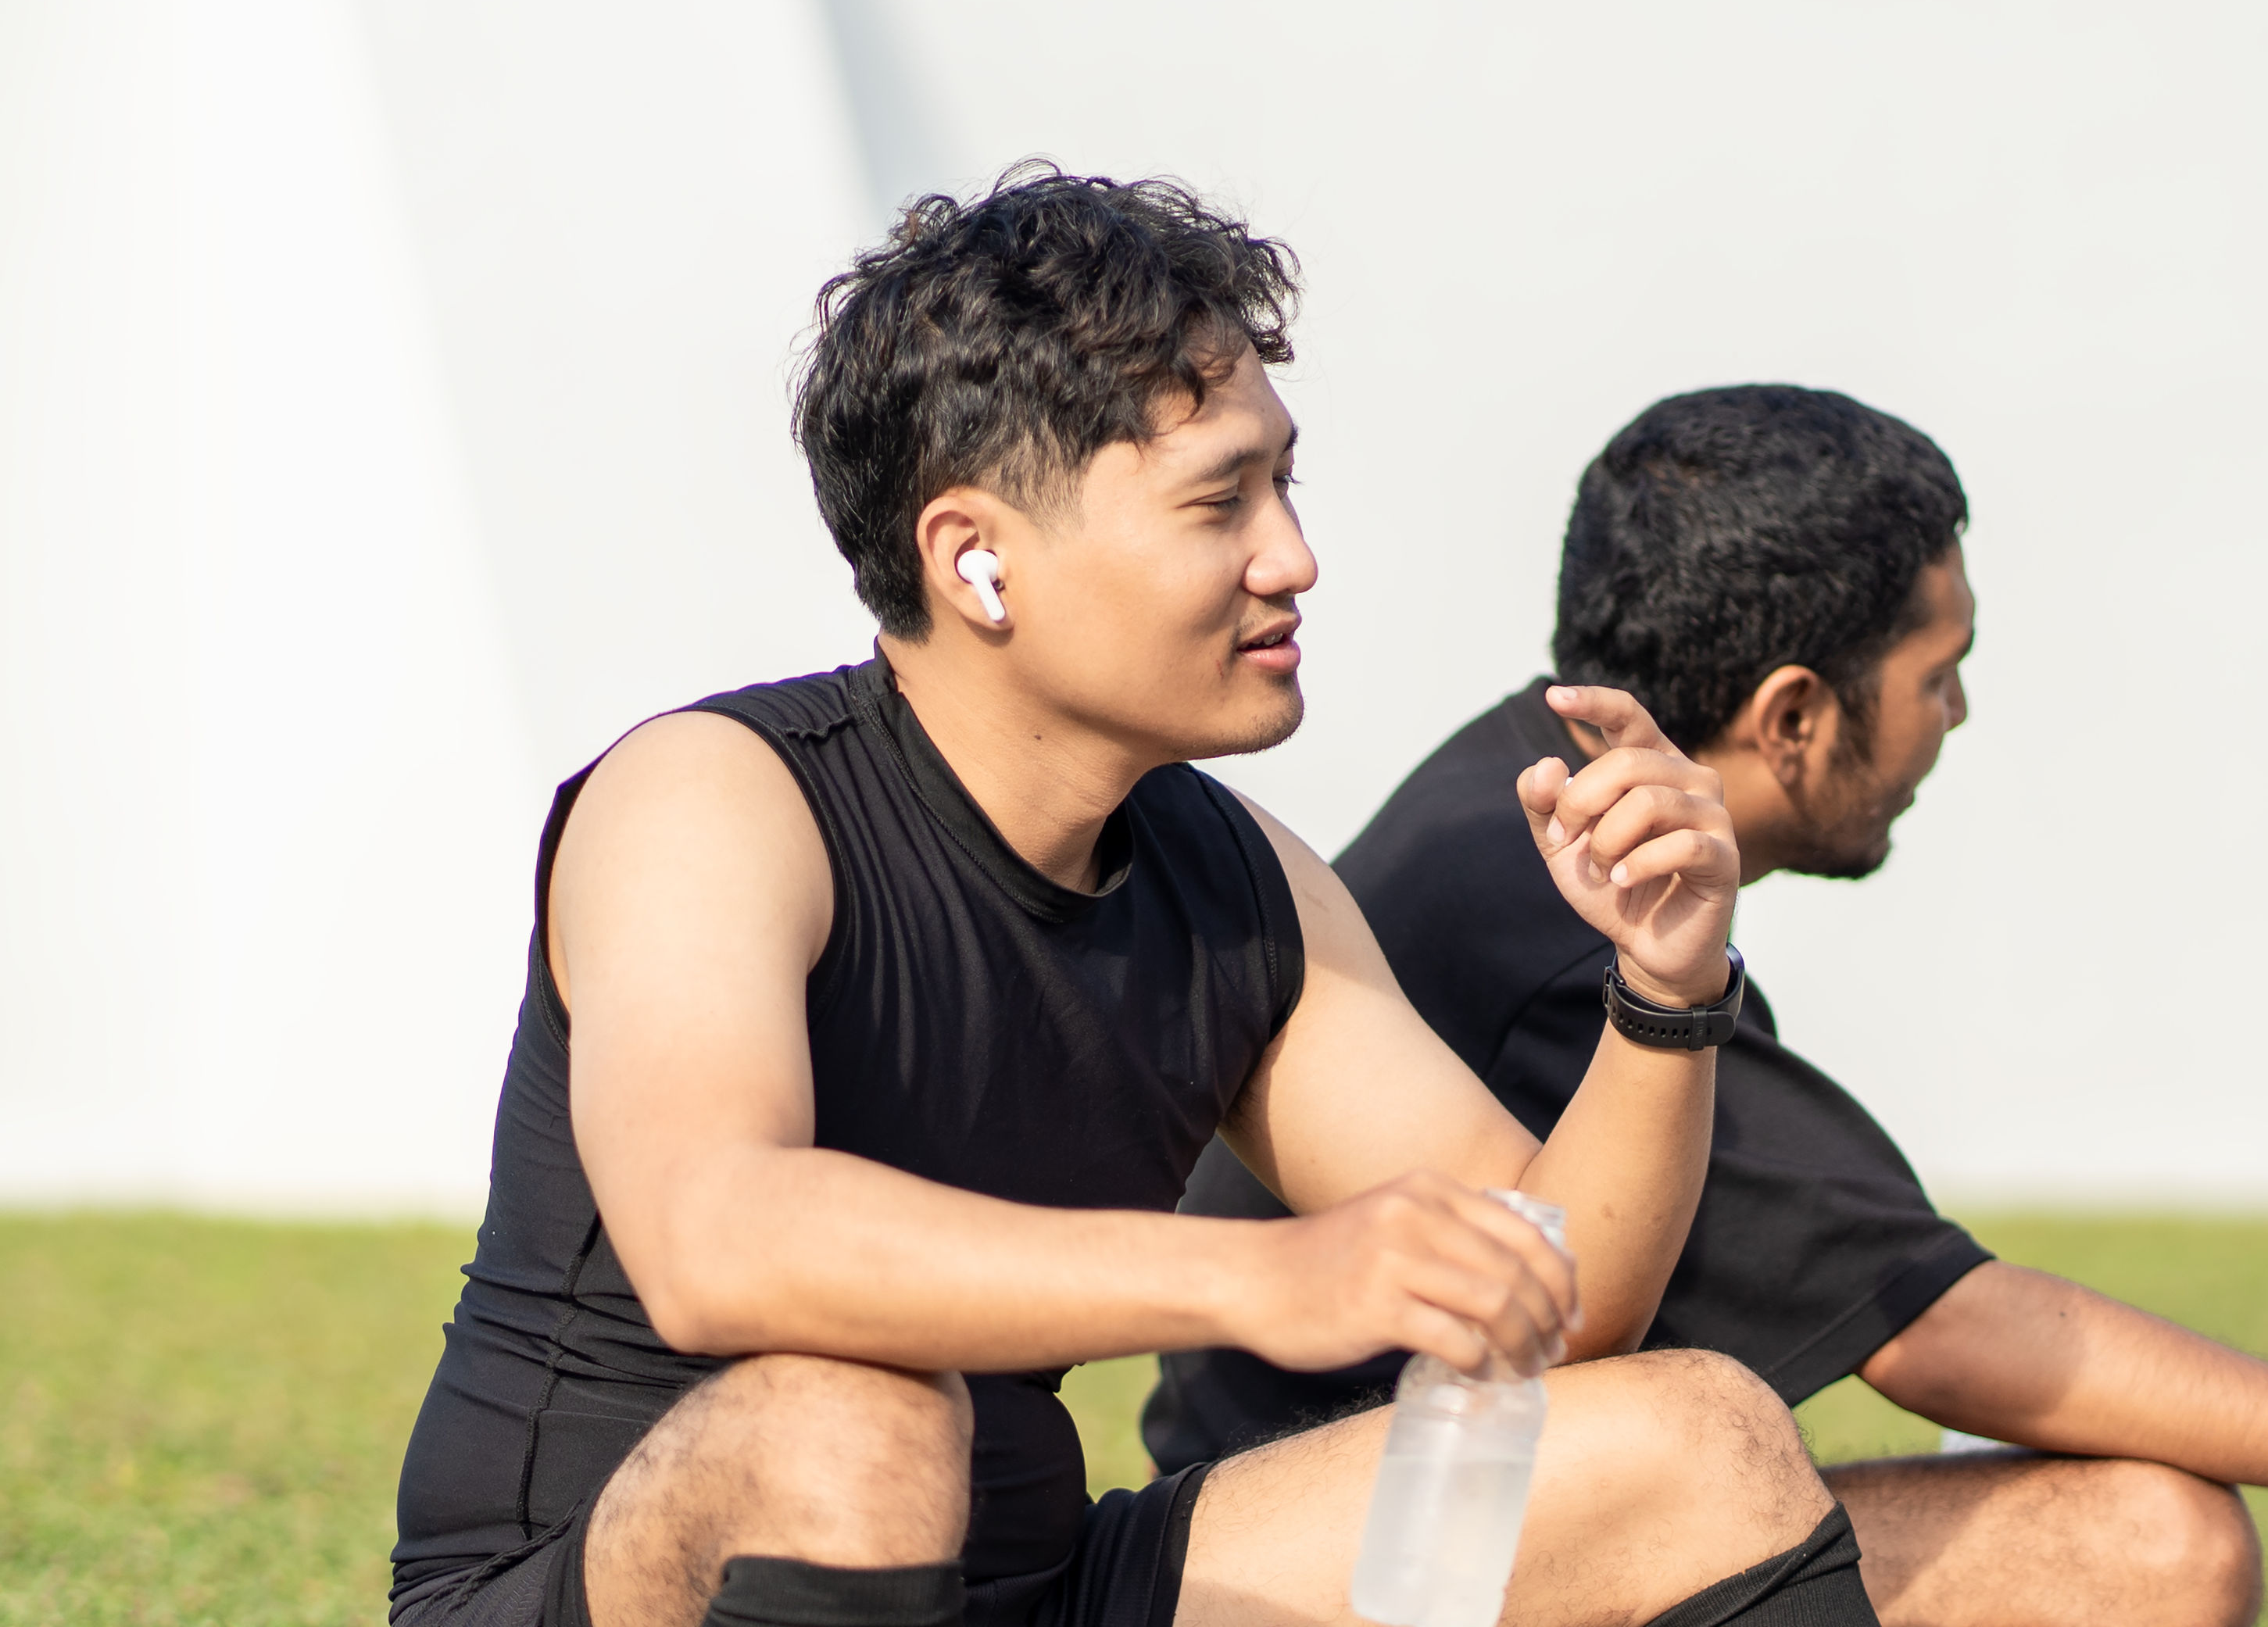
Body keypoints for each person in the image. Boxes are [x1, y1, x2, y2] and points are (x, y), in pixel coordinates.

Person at [387, 173, 1887, 1627]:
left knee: (1695, 1434)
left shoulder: (1239, 881)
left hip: (1038, 1583)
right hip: (617, 1574)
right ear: (975, 559)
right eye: (1220, 500)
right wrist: (1263, 1277)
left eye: (1284, 483)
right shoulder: (710, 798)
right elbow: (719, 1240)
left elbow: (1549, 1311)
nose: (1294, 557)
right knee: (858, 1427)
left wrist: (1665, 991)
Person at [1152, 385, 2268, 1627]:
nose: (1954, 716)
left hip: (1436, 1509)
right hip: (1353, 1567)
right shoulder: (1558, 907)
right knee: (2152, 1547)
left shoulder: (1527, 801)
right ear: (1794, 716)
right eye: (1940, 672)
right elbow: (1941, 1333)